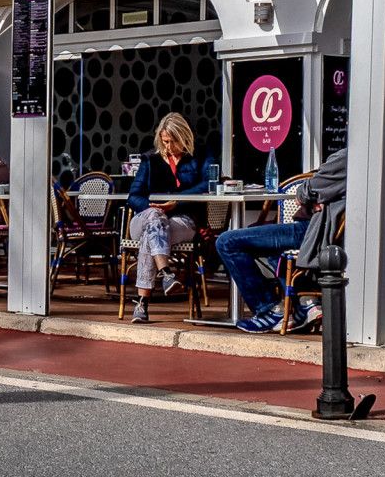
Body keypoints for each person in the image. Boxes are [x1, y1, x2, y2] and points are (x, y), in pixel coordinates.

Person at [218, 146, 346, 333]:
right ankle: (305, 304)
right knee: (271, 247)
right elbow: (315, 187)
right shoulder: (371, 163)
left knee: (227, 242)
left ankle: (270, 310)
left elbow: (306, 190)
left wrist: (311, 196)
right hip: (321, 232)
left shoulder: (347, 157)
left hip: (311, 230)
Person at [124, 112, 207, 323]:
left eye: (172, 142)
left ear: (184, 138)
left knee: (151, 235)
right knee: (154, 216)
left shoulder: (200, 157)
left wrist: (177, 203)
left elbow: (206, 186)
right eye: (164, 141)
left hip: (182, 220)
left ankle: (141, 304)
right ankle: (166, 273)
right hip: (144, 218)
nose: (167, 147)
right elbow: (134, 196)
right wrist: (150, 206)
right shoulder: (150, 159)